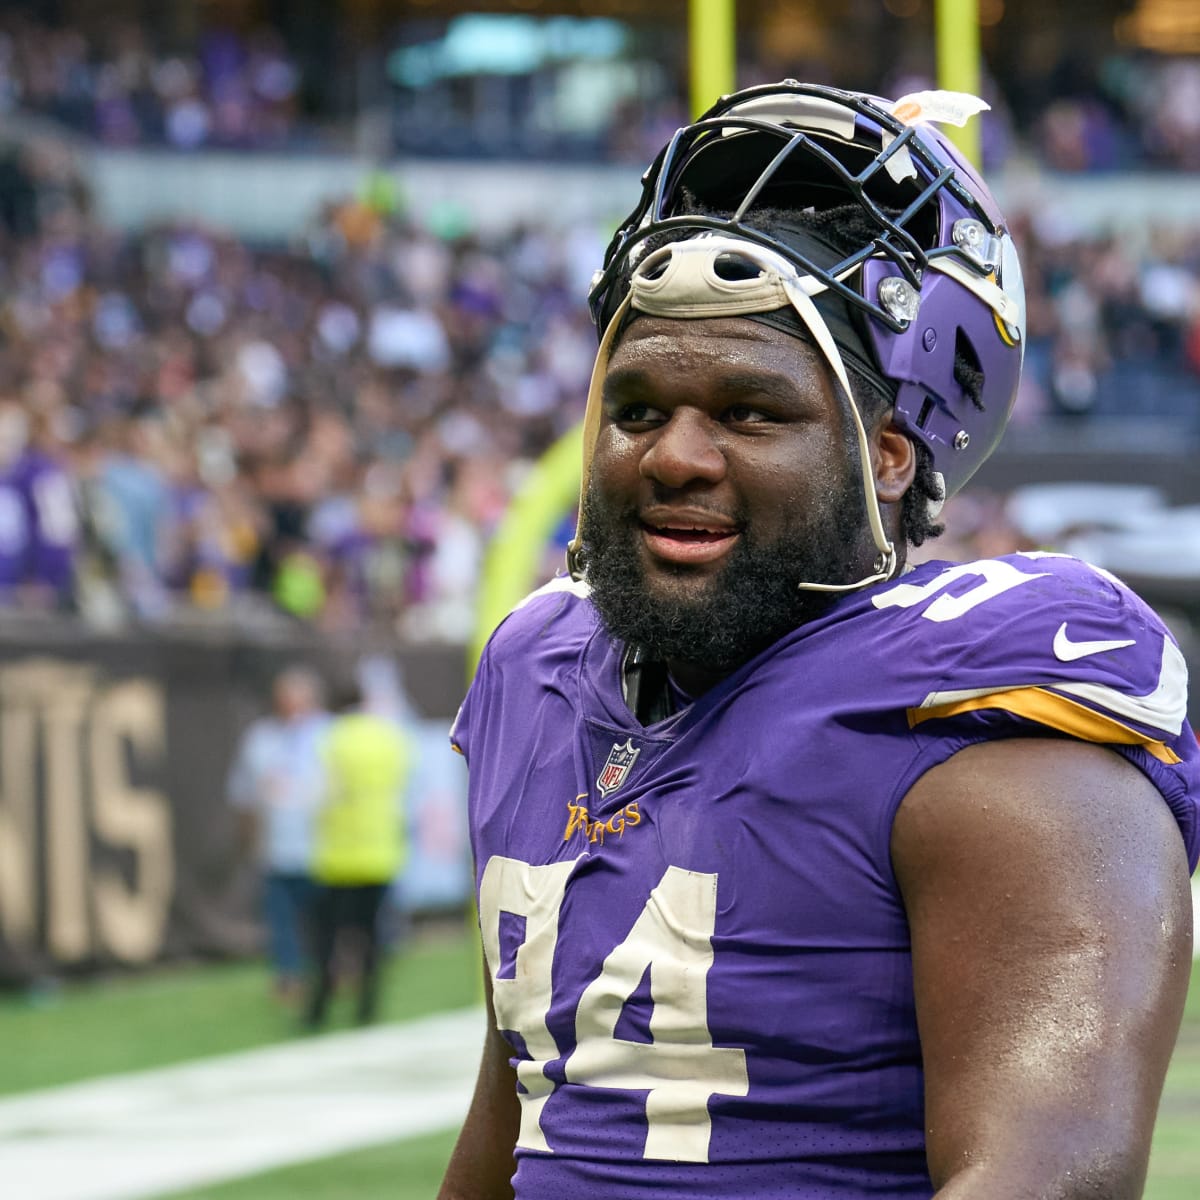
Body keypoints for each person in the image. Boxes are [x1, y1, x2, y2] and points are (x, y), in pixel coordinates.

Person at [438, 82, 1199, 1199]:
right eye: (638, 409)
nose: (674, 457)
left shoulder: (984, 724)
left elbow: (1048, 1179)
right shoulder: (537, 672)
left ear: (889, 457)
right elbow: (531, 1101)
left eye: (751, 413)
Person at [304, 675, 413, 1028]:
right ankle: (368, 1006)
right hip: (381, 854)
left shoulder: (330, 739)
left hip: (337, 857)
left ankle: (318, 1007)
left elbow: (320, 792)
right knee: (371, 938)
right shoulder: (387, 737)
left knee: (326, 940)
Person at [226, 664, 329, 1004]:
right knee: (282, 920)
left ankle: (326, 972)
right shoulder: (261, 738)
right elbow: (244, 794)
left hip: (323, 848)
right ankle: (289, 977)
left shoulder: (329, 735)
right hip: (276, 848)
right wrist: (248, 837)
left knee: (321, 919)